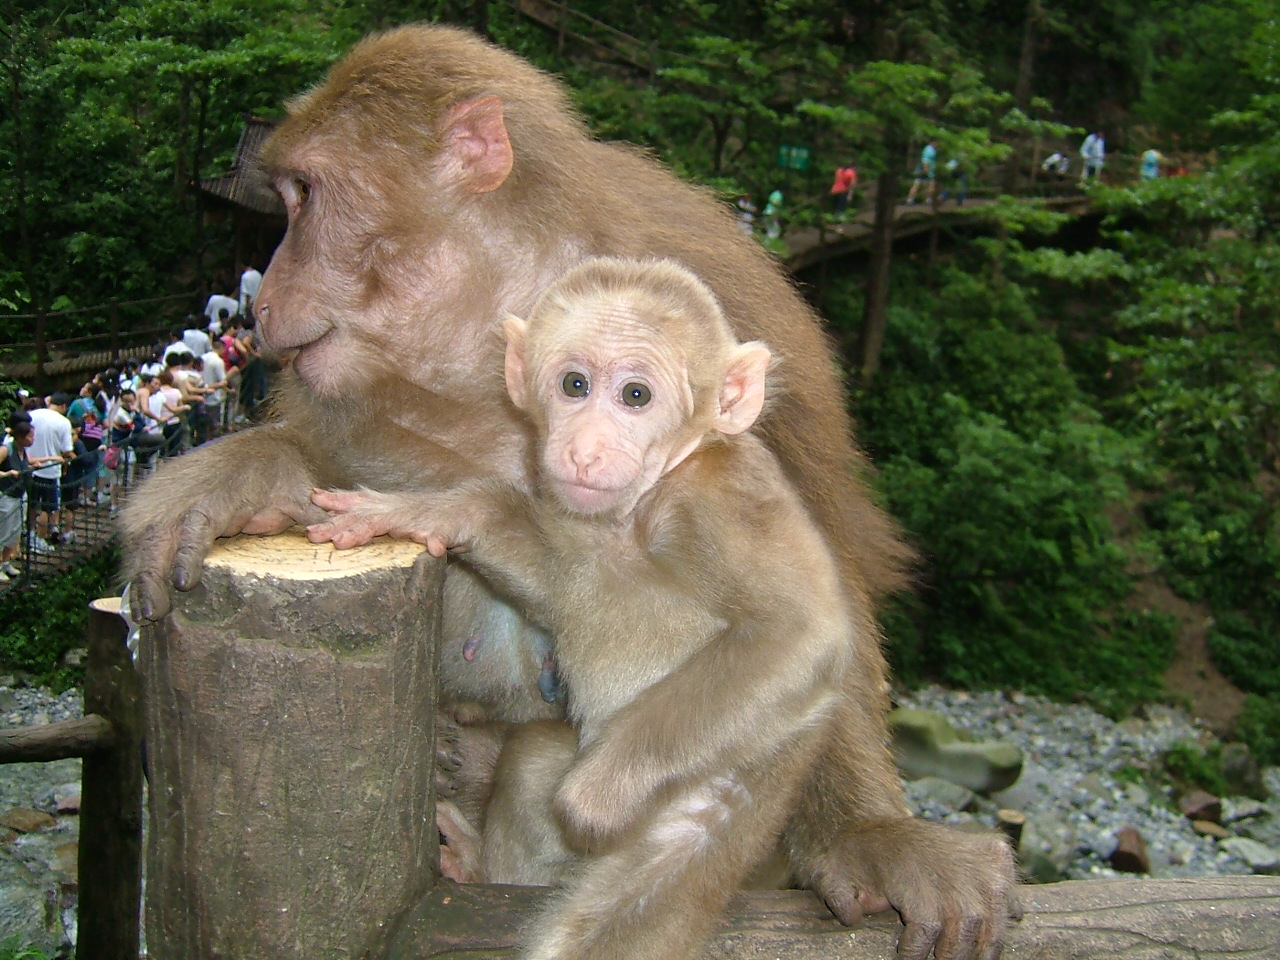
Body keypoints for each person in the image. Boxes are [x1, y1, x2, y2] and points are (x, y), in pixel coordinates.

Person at [28, 392, 74, 551]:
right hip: (51, 470)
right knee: (48, 507)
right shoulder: (64, 422)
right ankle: (40, 540)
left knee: (32, 505)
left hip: (31, 467)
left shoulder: (32, 415)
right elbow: (67, 449)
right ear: (64, 406)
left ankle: (29, 535)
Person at [0, 421, 32, 582]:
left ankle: (5, 562)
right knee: (3, 530)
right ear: (20, 437)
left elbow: (29, 462)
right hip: (6, 496)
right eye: (30, 436)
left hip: (20, 495)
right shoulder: (6, 449)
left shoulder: (23, 451)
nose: (32, 439)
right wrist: (7, 474)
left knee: (14, 532)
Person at [906, 138, 939, 204]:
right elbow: (925, 160)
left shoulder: (933, 150)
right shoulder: (929, 149)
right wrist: (926, 169)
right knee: (919, 184)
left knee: (928, 185)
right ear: (933, 142)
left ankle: (927, 199)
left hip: (930, 170)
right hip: (925, 169)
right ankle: (911, 199)